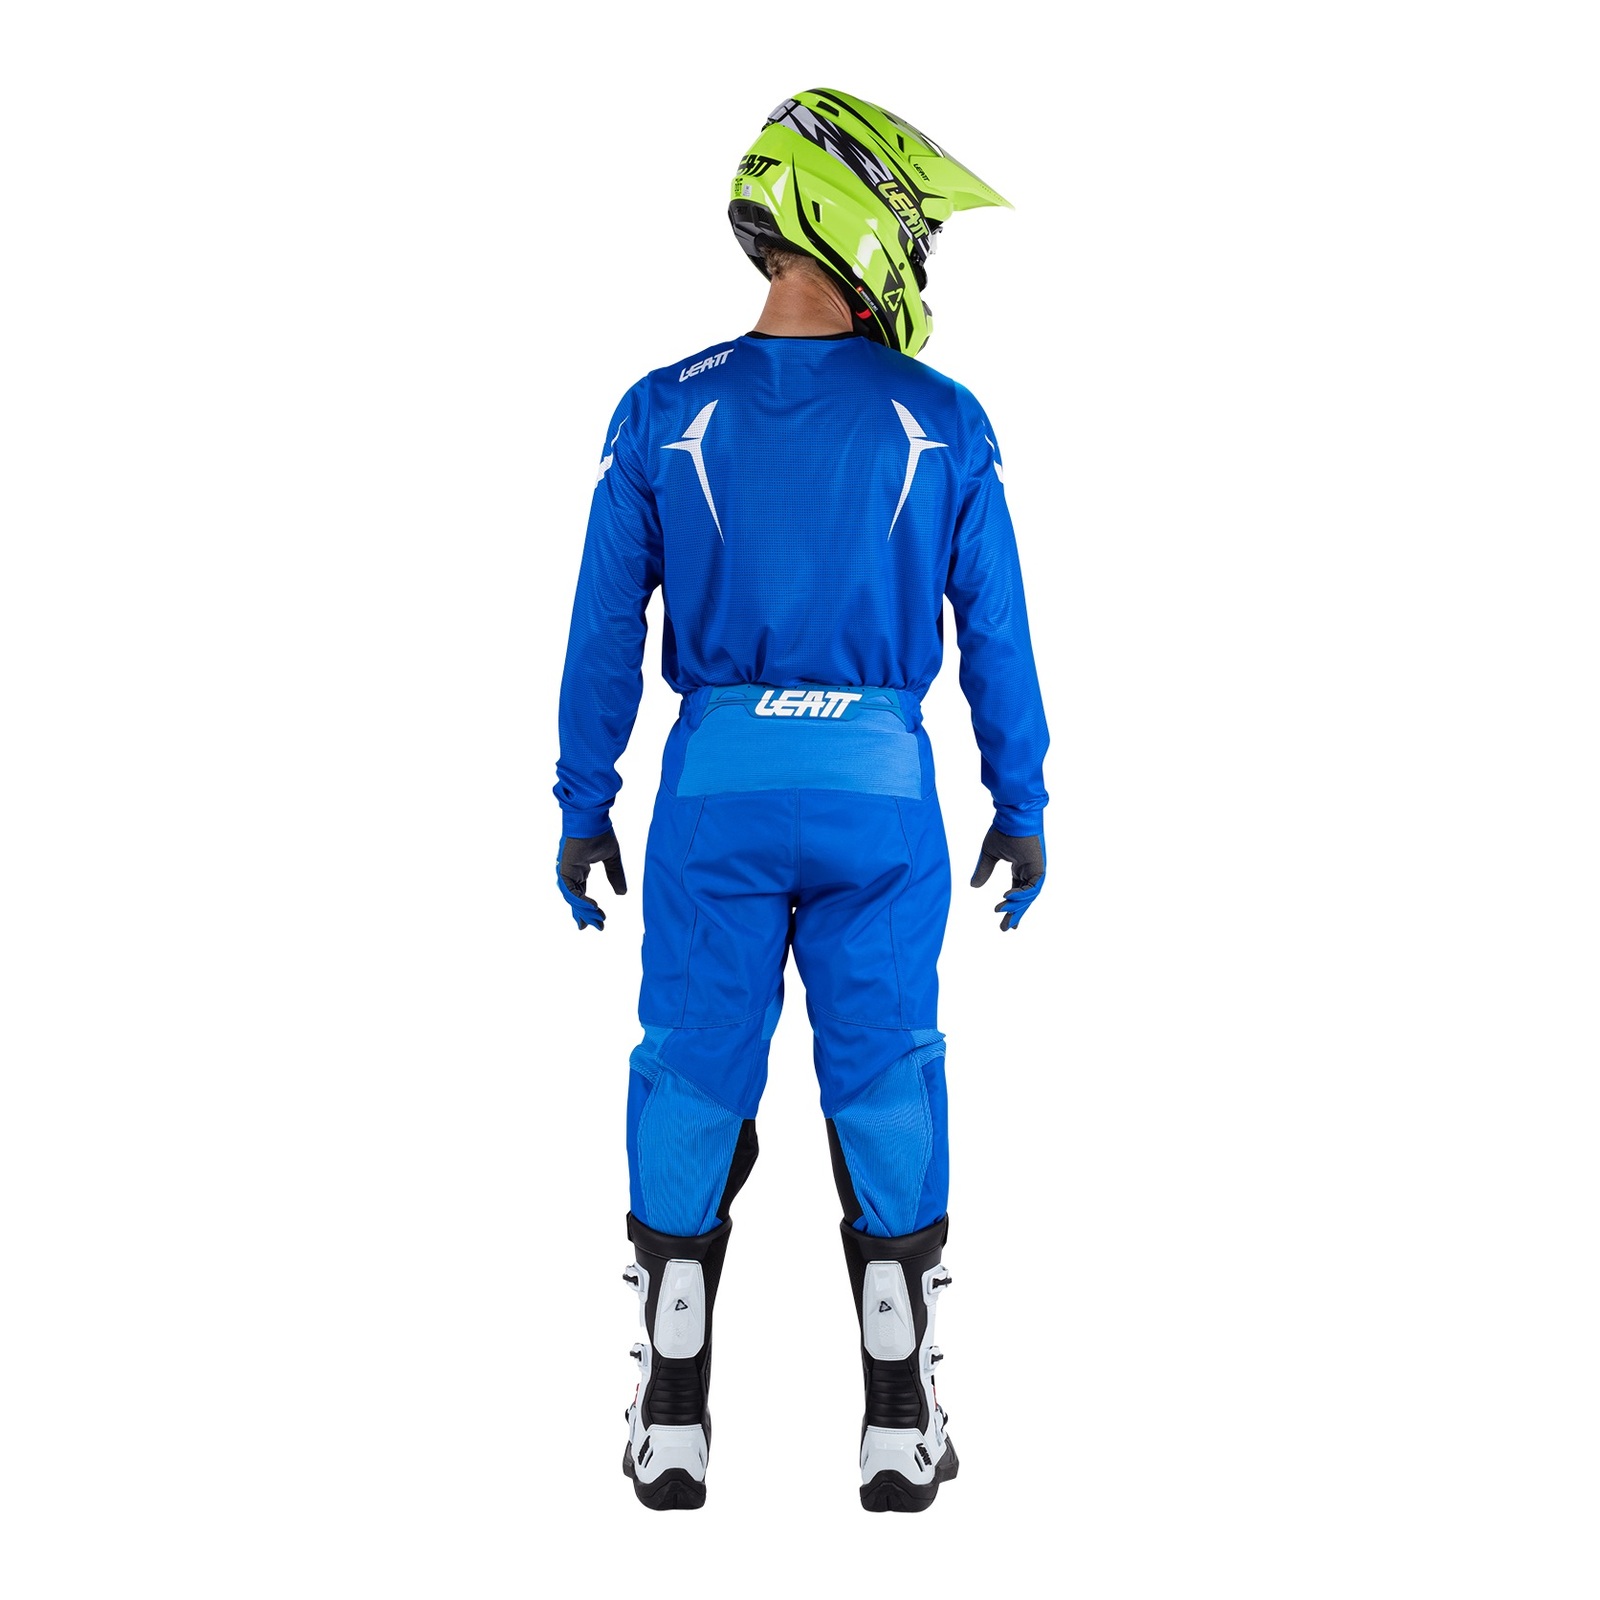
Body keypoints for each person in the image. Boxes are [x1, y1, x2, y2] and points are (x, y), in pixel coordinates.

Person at [553, 89, 1049, 1513]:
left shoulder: (661, 410)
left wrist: (584, 800)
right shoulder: (942, 421)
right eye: (915, 232)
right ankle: (900, 1415)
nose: (921, 261)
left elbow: (603, 629)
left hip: (713, 791)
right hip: (877, 795)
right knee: (884, 1069)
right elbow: (996, 633)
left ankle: (671, 1415)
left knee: (693, 1067)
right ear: (859, 217)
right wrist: (1019, 800)